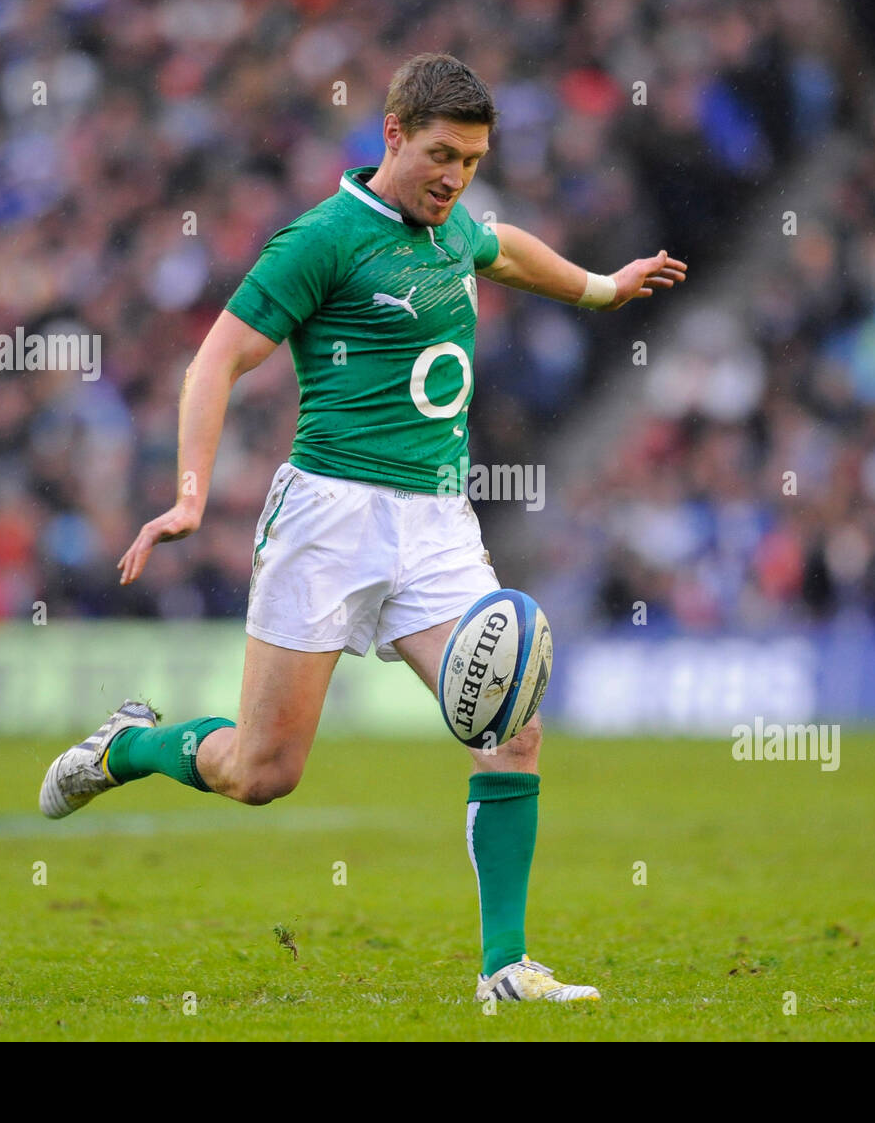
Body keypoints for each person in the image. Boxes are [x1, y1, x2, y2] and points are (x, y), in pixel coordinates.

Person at [39, 53, 686, 1002]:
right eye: (440, 155)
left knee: (513, 726)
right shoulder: (325, 238)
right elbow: (214, 363)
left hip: (437, 523)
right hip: (329, 520)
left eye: (471, 159)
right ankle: (126, 747)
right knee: (263, 773)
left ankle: (504, 968)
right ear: (391, 135)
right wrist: (188, 495)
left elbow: (502, 247)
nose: (455, 177)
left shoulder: (450, 227)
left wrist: (600, 288)